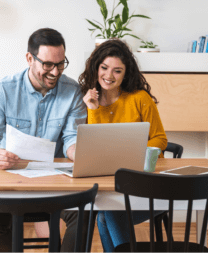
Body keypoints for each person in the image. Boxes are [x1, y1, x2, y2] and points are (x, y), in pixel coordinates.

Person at [0, 28, 95, 253]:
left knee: (85, 214)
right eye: (48, 64)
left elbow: (71, 139)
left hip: (55, 185)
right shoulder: (3, 90)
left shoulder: (73, 92)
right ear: (30, 58)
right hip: (11, 184)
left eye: (61, 64)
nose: (55, 72)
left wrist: (82, 155)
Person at [78, 38, 168, 253]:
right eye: (104, 68)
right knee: (105, 215)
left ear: (126, 73)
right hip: (112, 186)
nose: (109, 76)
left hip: (145, 186)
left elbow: (160, 139)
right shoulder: (90, 100)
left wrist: (136, 154)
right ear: (96, 67)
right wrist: (93, 109)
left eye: (117, 71)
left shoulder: (139, 98)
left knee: (108, 213)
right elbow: (95, 146)